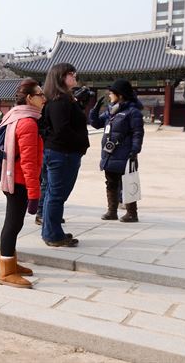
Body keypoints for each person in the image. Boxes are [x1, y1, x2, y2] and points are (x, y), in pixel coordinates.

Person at [0, 79, 46, 288]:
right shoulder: (27, 123)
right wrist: (35, 194)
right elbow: (28, 162)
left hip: (13, 178)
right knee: (13, 224)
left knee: (14, 223)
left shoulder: (16, 116)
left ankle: (11, 262)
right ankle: (6, 271)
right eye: (40, 94)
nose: (44, 99)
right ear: (29, 98)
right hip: (18, 181)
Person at [40, 63, 89, 247]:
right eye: (71, 73)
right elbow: (62, 130)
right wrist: (81, 143)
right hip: (62, 153)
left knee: (55, 194)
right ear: (61, 77)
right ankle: (52, 234)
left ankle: (51, 231)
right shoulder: (59, 101)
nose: (74, 76)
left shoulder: (63, 99)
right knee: (57, 195)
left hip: (62, 152)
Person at [89, 79, 144, 222]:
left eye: (112, 93)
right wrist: (94, 110)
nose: (109, 96)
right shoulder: (111, 111)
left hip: (125, 153)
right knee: (111, 182)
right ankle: (112, 211)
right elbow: (96, 124)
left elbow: (138, 132)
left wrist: (135, 150)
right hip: (110, 153)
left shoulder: (133, 112)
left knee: (127, 182)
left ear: (120, 95)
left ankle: (132, 213)